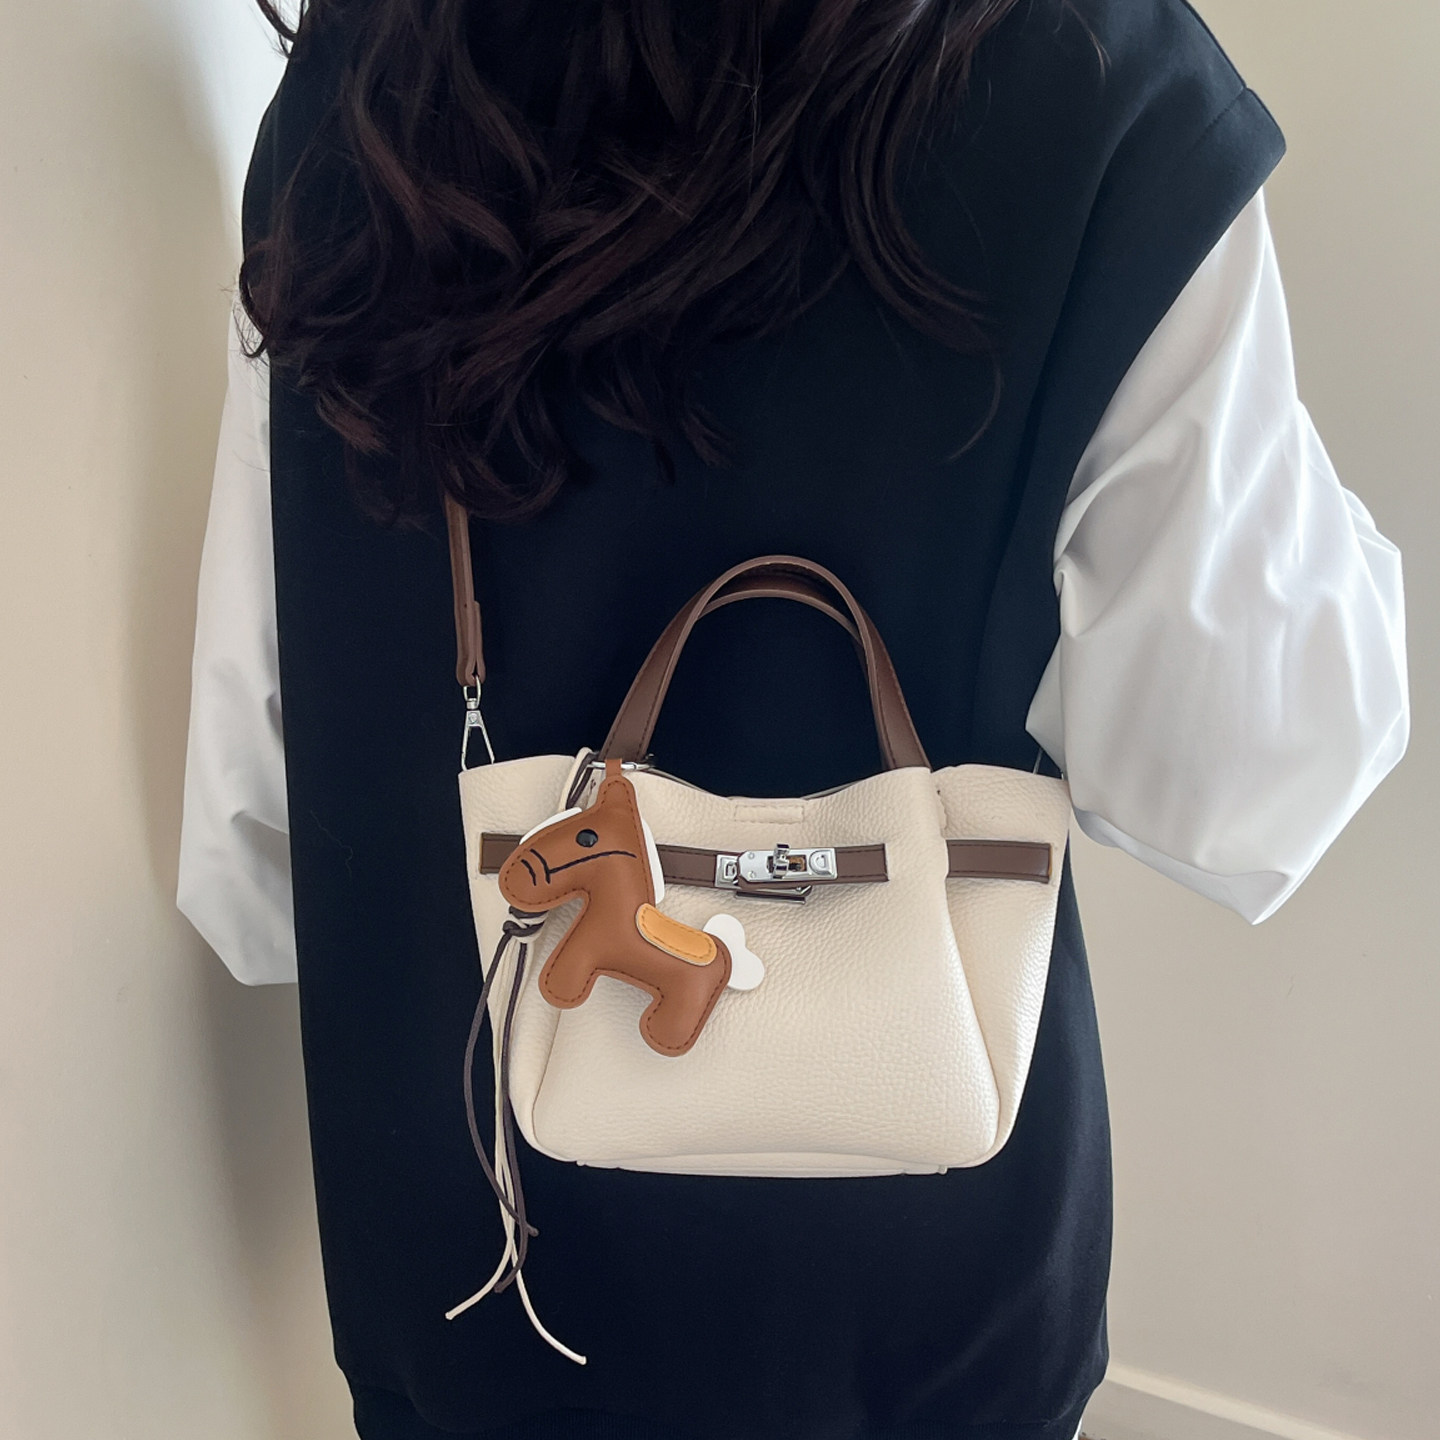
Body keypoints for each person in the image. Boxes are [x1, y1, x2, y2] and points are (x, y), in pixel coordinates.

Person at [178, 0, 1409, 1436]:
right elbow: (1246, 778)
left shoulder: (371, 87)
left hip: (474, 1269)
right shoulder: (1090, 76)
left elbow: (253, 822)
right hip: (916, 1291)